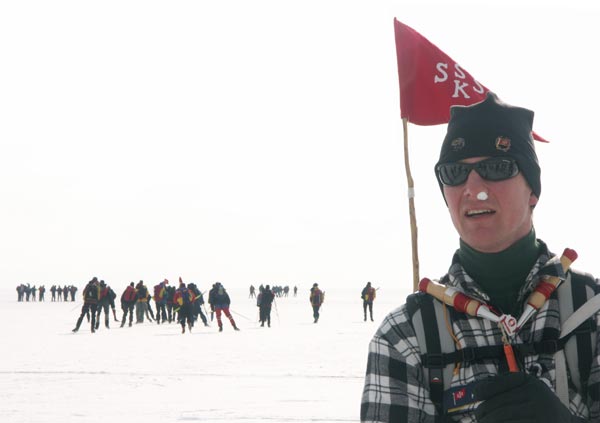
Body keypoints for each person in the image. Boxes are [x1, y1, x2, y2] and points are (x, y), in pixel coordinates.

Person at [360, 93, 600, 422]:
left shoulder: (592, 313)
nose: (474, 188)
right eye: (455, 173)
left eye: (496, 168)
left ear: (533, 191)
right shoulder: (407, 335)